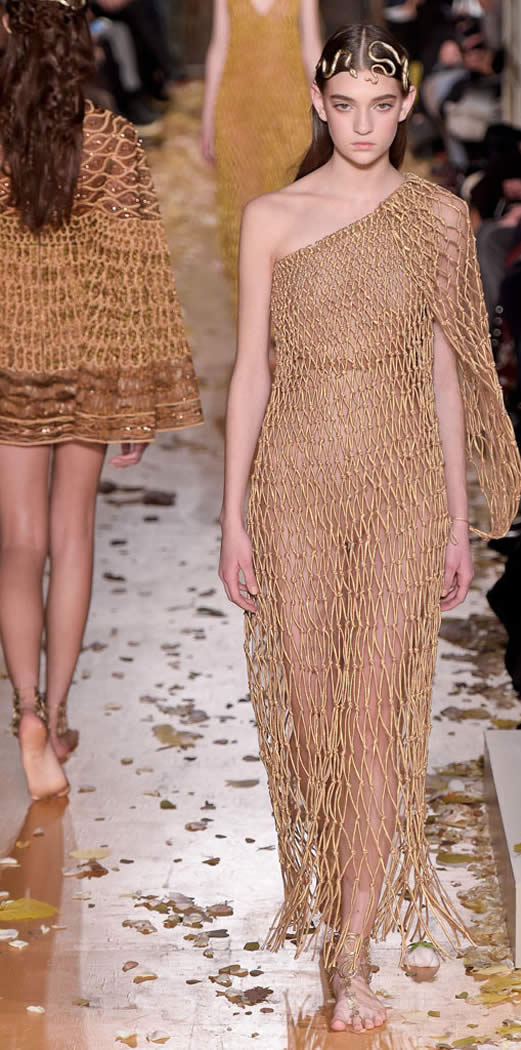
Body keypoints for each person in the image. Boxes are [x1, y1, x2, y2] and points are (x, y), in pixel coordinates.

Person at [218, 23, 521, 1034]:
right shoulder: (271, 217)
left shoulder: (437, 218)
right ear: (319, 103)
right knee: (311, 715)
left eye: (379, 106)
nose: (361, 124)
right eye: (343, 105)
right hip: (295, 481)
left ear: (404, 110)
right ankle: (333, 897)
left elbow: (445, 373)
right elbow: (251, 370)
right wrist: (232, 515)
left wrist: (456, 519)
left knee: (376, 719)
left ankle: (350, 950)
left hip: (400, 488)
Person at [0, 0, 203, 802]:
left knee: (18, 541)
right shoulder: (112, 142)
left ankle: (24, 711)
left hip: (10, 357)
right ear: (78, 49)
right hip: (87, 361)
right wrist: (139, 396)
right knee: (71, 537)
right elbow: (137, 277)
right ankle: (57, 714)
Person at [201, 0, 322, 293]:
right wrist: (207, 118)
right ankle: (250, 310)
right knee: (240, 214)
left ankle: (291, 308)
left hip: (291, 112)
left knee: (290, 210)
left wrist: (327, 108)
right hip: (236, 113)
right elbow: (219, 47)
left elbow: (311, 47)